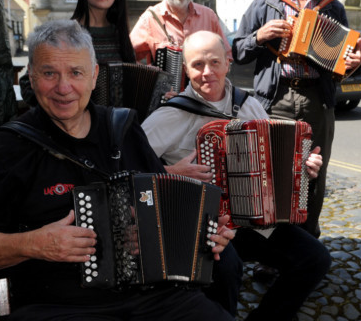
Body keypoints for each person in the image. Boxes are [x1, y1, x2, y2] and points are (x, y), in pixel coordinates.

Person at [0, 20, 234, 321]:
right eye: (49, 73)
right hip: (59, 307)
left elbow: (166, 210)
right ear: (32, 77)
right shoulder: (7, 148)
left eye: (75, 73)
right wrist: (37, 244)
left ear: (94, 77)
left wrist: (203, 233)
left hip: (154, 297)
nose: (63, 88)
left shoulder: (125, 129)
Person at [142, 30, 331, 320]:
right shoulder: (170, 115)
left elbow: (275, 160)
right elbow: (126, 167)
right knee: (228, 268)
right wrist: (170, 171)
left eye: (214, 63)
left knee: (315, 258)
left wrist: (304, 169)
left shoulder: (248, 105)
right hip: (199, 223)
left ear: (228, 62)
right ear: (186, 69)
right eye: (197, 65)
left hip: (251, 220)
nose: (207, 72)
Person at [233, 0, 361, 238]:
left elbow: (341, 63)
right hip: (276, 99)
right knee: (274, 173)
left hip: (317, 100)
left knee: (313, 172)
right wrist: (259, 37)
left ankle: (308, 241)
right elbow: (236, 50)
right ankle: (272, 249)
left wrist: (353, 65)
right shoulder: (266, 3)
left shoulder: (333, 7)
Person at [130, 0, 231, 95]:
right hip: (167, 105)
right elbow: (128, 56)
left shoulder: (209, 16)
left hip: (205, 102)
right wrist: (150, 80)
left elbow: (227, 56)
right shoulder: (150, 19)